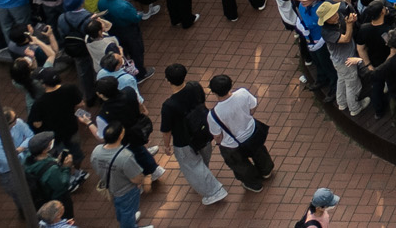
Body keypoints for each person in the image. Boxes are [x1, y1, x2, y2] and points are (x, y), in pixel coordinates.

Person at [160, 65, 228, 205]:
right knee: (203, 159)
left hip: (184, 140)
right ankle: (204, 178)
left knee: (193, 166)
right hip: (203, 130)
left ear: (167, 80)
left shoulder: (168, 105)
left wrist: (166, 146)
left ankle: (214, 191)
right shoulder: (195, 87)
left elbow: (166, 130)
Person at [206, 74, 273, 193]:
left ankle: (254, 184)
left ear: (214, 92)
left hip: (232, 145)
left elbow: (217, 136)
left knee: (240, 165)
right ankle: (266, 171)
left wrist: (219, 143)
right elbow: (253, 107)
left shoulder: (213, 114)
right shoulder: (243, 93)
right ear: (230, 85)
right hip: (252, 133)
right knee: (259, 152)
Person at [89, 121, 158, 228]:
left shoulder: (96, 151)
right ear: (120, 136)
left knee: (120, 208)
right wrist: (143, 181)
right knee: (128, 212)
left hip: (112, 187)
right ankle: (130, 223)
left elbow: (95, 166)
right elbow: (136, 178)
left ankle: (129, 220)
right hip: (127, 190)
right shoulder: (125, 156)